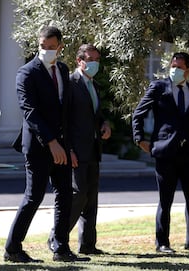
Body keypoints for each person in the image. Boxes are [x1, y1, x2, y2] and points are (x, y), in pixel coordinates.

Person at [5, 26, 83, 263]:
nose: (47, 51)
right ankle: (13, 249)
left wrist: (67, 146)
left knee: (65, 195)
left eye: (52, 47)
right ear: (37, 45)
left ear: (60, 47)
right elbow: (30, 112)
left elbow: (65, 112)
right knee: (34, 196)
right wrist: (51, 142)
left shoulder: (63, 69)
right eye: (43, 47)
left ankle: (61, 249)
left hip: (62, 145)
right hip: (39, 147)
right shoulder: (27, 73)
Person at [132, 52, 189, 253]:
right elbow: (139, 113)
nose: (175, 70)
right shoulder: (158, 88)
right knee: (165, 200)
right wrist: (140, 139)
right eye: (173, 66)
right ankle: (162, 243)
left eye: (180, 67)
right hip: (165, 152)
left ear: (188, 71)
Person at [49, 44, 111, 255]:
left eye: (96, 59)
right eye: (89, 59)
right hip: (76, 150)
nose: (94, 63)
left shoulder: (94, 85)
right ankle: (56, 238)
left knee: (91, 197)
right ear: (79, 61)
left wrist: (104, 124)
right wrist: (70, 150)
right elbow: (64, 120)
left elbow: (96, 115)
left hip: (93, 148)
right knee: (78, 194)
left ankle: (87, 244)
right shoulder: (70, 84)